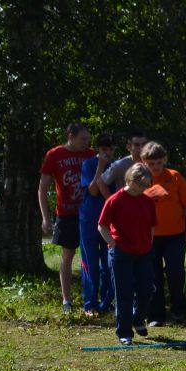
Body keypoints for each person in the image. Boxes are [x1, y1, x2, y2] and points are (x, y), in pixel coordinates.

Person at [38, 123, 95, 313]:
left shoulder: (91, 154)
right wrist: (46, 218)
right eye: (83, 139)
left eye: (88, 139)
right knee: (67, 255)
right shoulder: (54, 155)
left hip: (88, 213)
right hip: (66, 214)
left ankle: (93, 298)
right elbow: (42, 189)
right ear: (71, 136)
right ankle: (66, 300)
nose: (86, 143)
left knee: (92, 256)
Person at [98, 163, 157, 345]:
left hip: (144, 252)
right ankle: (124, 332)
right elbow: (102, 226)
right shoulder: (115, 200)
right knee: (124, 293)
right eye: (141, 184)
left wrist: (149, 243)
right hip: (121, 253)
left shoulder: (147, 201)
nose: (143, 188)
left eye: (146, 185)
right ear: (130, 179)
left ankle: (138, 319)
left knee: (146, 289)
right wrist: (114, 245)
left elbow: (151, 226)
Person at [141, 141, 186, 325]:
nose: (156, 167)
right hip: (150, 237)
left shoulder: (174, 177)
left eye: (159, 163)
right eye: (151, 164)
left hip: (175, 235)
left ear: (164, 160)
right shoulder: (140, 179)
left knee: (175, 272)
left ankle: (179, 308)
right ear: (144, 162)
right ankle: (156, 315)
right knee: (152, 275)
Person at [78, 132, 116, 316]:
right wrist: (100, 166)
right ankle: (89, 303)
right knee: (90, 263)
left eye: (110, 149)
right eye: (103, 149)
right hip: (89, 219)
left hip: (109, 221)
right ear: (97, 149)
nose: (107, 153)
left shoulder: (117, 167)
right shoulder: (89, 164)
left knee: (108, 263)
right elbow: (93, 191)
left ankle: (106, 303)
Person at [98, 130, 147, 197]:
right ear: (128, 147)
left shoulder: (152, 163)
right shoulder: (120, 165)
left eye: (144, 144)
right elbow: (101, 182)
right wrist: (112, 201)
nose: (141, 148)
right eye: (136, 145)